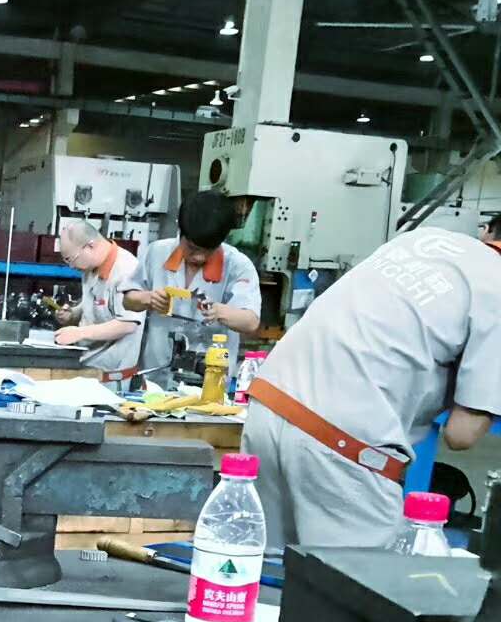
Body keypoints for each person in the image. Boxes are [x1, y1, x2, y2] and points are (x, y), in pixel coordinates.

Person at [241, 227, 501, 547]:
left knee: (266, 569)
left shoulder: (424, 239)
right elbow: (462, 433)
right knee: (357, 577)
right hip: (343, 442)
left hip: (270, 402)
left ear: (487, 232)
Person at [121, 189, 261, 386]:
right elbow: (128, 300)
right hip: (155, 378)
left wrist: (219, 311)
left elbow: (251, 321)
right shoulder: (157, 252)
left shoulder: (238, 265)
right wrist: (148, 298)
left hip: (209, 382)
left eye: (208, 251)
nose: (199, 257)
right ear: (180, 230)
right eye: (193, 248)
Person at [52, 221, 143, 381]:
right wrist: (73, 314)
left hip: (111, 376)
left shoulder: (127, 269)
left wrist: (79, 333)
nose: (71, 266)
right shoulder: (90, 268)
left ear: (90, 246)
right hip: (86, 367)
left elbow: (128, 324)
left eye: (71, 259)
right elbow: (95, 304)